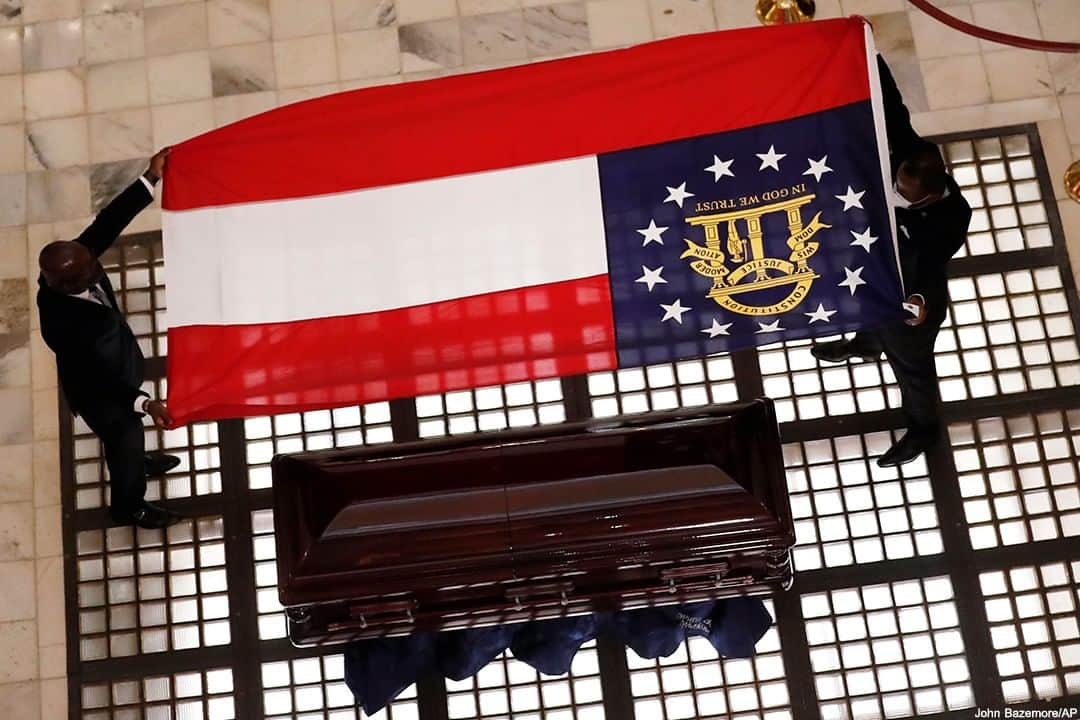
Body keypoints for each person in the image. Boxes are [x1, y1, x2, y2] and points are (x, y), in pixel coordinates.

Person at [810, 58, 973, 467]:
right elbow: (890, 102)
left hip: (910, 301)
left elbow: (928, 269)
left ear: (930, 198)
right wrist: (867, 55)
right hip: (876, 265)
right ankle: (864, 347)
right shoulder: (908, 147)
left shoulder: (949, 222)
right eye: (896, 184)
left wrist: (917, 302)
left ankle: (923, 429)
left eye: (904, 195)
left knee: (913, 372)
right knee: (866, 312)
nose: (896, 194)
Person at [38, 148, 183, 528]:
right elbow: (102, 381)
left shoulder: (71, 264)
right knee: (124, 440)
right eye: (93, 266)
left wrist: (150, 177)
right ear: (73, 282)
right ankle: (129, 505)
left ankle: (137, 460)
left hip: (116, 366)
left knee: (129, 444)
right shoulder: (67, 327)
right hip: (103, 397)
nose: (98, 260)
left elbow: (107, 224)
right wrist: (147, 404)